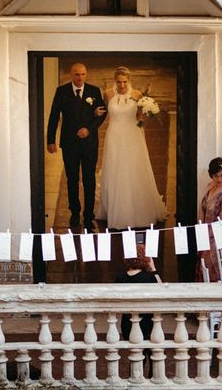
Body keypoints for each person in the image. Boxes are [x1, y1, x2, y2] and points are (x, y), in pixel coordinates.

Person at [95, 66, 167, 229]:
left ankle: (137, 210)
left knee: (134, 169)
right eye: (119, 82)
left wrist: (146, 115)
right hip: (114, 134)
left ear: (129, 80)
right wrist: (95, 114)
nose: (121, 85)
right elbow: (103, 112)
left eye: (124, 82)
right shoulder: (107, 94)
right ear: (115, 80)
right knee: (115, 169)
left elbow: (139, 118)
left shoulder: (137, 95)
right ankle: (116, 210)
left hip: (133, 134)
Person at [47, 62, 106, 230]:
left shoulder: (94, 91)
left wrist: (89, 128)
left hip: (89, 143)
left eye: (83, 74)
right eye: (76, 74)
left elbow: (102, 114)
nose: (80, 78)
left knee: (89, 178)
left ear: (86, 75)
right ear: (71, 75)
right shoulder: (62, 91)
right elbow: (54, 116)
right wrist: (50, 140)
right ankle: (74, 213)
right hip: (69, 143)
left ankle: (88, 215)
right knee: (72, 179)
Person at [196, 157, 222, 282]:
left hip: (219, 235)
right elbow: (202, 211)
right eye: (216, 175)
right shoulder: (210, 187)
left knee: (214, 267)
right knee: (204, 266)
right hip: (206, 233)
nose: (219, 179)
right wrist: (201, 231)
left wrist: (208, 235)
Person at [115, 245, 160, 340]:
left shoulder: (120, 277)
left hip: (127, 323)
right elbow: (162, 290)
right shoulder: (148, 277)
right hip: (146, 322)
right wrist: (153, 269)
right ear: (145, 259)